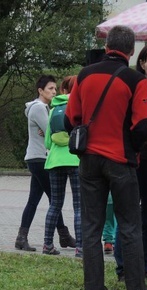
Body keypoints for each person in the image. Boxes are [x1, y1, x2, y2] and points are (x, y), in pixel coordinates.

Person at [65, 25, 147, 290]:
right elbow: (143, 124)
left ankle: (94, 289)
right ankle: (136, 289)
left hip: (89, 160)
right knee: (129, 225)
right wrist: (133, 150)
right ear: (131, 52)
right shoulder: (134, 80)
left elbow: (70, 119)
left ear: (106, 47)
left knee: (91, 226)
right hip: (120, 160)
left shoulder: (84, 75)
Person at [114, 43, 147, 282]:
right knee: (128, 214)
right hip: (135, 158)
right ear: (142, 63)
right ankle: (123, 268)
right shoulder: (134, 87)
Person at [14, 75, 76, 252]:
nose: (54, 91)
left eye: (55, 89)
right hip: (39, 158)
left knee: (34, 199)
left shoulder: (45, 108)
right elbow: (54, 130)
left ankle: (21, 238)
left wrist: (48, 129)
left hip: (38, 157)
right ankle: (63, 236)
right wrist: (52, 129)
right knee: (54, 200)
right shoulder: (39, 108)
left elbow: (47, 130)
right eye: (50, 89)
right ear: (40, 91)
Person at [42, 76, 82, 257]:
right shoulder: (80, 106)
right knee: (79, 206)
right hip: (76, 160)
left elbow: (48, 142)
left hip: (55, 161)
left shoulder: (53, 109)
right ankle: (80, 248)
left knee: (55, 204)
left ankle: (47, 244)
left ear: (64, 90)